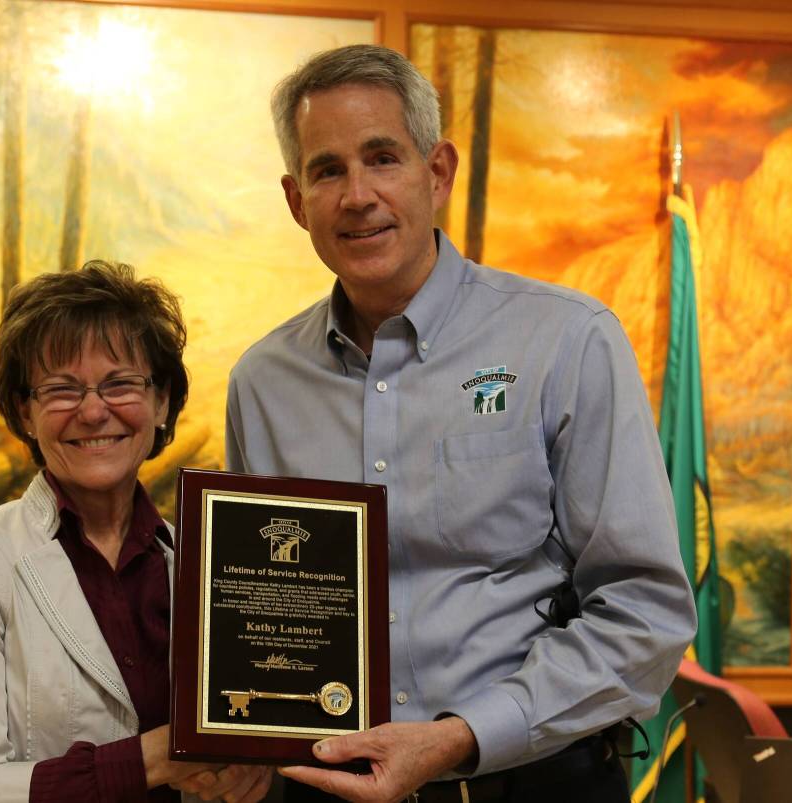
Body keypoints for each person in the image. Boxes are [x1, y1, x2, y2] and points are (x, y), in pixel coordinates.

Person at [225, 45, 698, 803]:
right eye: (327, 170)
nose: (358, 195)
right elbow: (260, 607)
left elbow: (646, 609)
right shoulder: (263, 383)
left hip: (535, 783)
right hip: (326, 788)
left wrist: (462, 736)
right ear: (294, 199)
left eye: (383, 158)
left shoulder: (566, 341)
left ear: (436, 172)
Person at [0, 261, 271, 803]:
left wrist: (247, 773)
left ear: (161, 402)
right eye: (61, 389)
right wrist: (165, 755)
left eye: (120, 383)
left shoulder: (213, 565)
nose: (94, 411)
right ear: (25, 414)